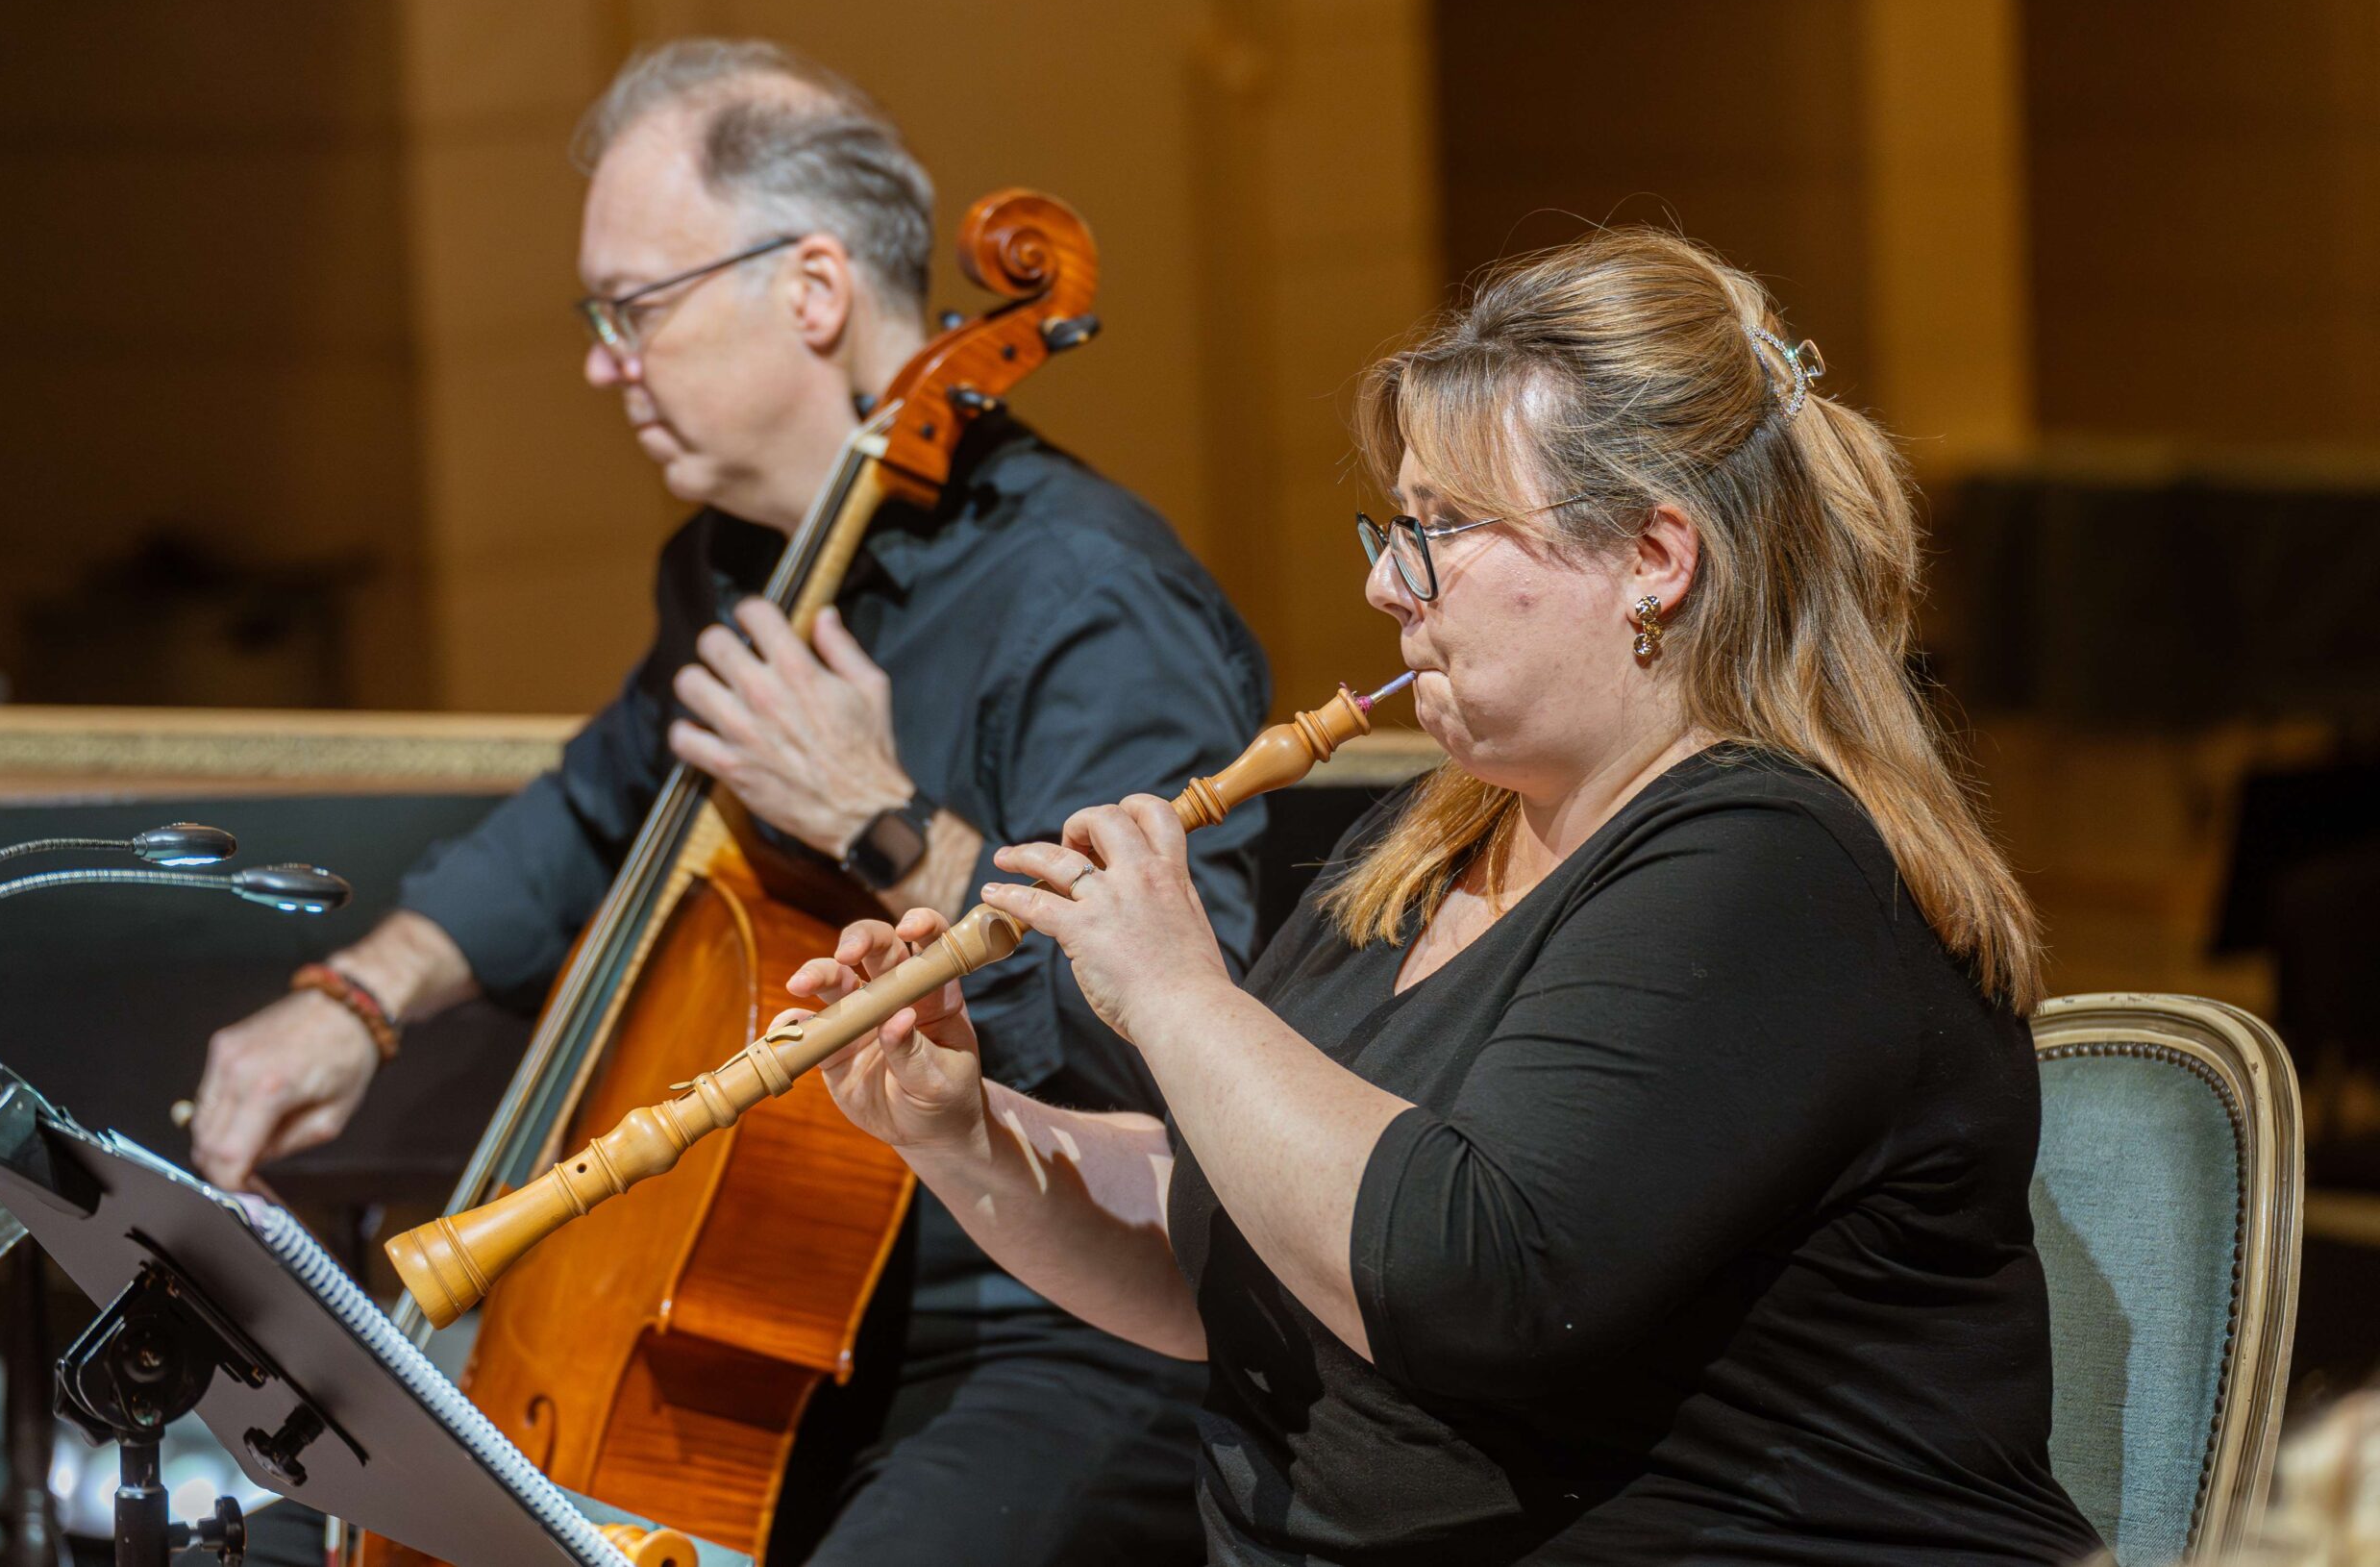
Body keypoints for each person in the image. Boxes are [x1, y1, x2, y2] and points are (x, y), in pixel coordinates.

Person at [788, 229, 2110, 1565]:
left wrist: (1178, 995)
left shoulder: (1775, 866)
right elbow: (1249, 1221)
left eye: (1439, 533)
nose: (1382, 584)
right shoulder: (1428, 842)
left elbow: (1459, 1277)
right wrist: (963, 1132)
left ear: (1657, 556)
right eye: (1395, 526)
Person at [186, 38, 1266, 1567]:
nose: (598, 361)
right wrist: (357, 998)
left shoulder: (1091, 599)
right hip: (750, 1313)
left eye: (633, 309)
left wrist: (880, 823)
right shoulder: (731, 562)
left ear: (814, 292)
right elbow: (589, 811)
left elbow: (1158, 1035)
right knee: (301, 1537)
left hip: (1040, 1319)